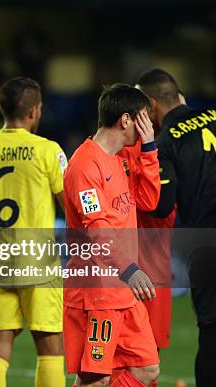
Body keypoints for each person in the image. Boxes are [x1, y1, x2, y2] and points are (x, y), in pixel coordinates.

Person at [137, 69, 216, 387]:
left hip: (211, 244)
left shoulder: (165, 142)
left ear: (152, 106)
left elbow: (163, 204)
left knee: (212, 336)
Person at [63, 83, 160, 386]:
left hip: (123, 291)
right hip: (96, 291)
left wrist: (149, 149)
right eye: (144, 118)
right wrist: (130, 269)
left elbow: (148, 201)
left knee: (146, 369)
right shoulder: (83, 165)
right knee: (95, 377)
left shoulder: (125, 157)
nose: (149, 126)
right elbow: (97, 230)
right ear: (127, 120)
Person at [0, 77, 66, 387]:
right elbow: (70, 204)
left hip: (0, 255)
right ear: (34, 111)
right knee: (50, 348)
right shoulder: (48, 150)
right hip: (38, 259)